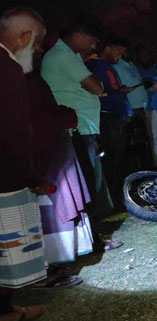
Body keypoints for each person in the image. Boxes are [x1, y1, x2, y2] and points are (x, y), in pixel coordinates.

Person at [0, 7, 53, 320]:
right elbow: (13, 130)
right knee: (7, 251)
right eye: (35, 43)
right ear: (22, 36)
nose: (37, 51)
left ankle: (5, 309)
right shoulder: (6, 68)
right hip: (5, 177)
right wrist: (30, 176)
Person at [26, 38, 89, 286]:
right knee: (39, 211)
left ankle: (56, 260)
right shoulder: (20, 79)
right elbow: (34, 119)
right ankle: (41, 270)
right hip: (37, 155)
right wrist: (63, 117)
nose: (39, 50)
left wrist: (63, 115)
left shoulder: (30, 78)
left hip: (51, 147)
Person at [41, 25, 112, 217]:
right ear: (79, 35)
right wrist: (100, 84)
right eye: (93, 39)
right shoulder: (63, 56)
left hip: (81, 125)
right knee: (86, 180)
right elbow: (96, 87)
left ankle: (94, 226)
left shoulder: (69, 56)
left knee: (90, 177)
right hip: (77, 128)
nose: (94, 44)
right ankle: (92, 227)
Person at [85, 36, 132, 205]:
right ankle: (112, 198)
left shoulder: (106, 67)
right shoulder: (95, 66)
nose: (120, 56)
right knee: (111, 159)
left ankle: (116, 194)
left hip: (115, 117)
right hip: (108, 118)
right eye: (118, 52)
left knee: (117, 159)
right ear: (108, 48)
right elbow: (98, 90)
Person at [113, 39, 152, 170]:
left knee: (142, 142)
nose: (126, 52)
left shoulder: (130, 65)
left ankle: (144, 170)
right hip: (130, 109)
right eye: (124, 50)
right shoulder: (116, 66)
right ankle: (135, 171)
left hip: (139, 107)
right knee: (132, 144)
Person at [134, 45, 157, 168]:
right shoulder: (135, 69)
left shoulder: (152, 69)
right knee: (148, 137)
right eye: (143, 54)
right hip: (141, 108)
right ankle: (152, 163)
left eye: (146, 54)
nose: (145, 57)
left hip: (153, 107)